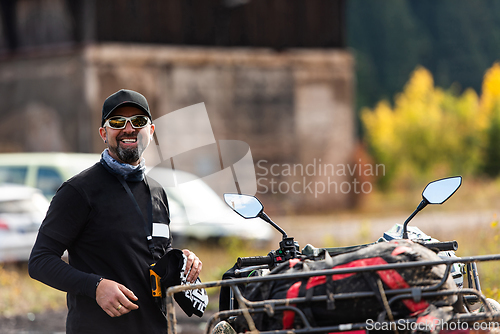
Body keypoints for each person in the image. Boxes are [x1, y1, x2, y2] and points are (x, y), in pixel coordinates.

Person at [28, 89, 202, 334]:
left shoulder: (157, 192)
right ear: (103, 133)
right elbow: (39, 261)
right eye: (117, 122)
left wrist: (182, 261)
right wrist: (95, 286)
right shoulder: (78, 191)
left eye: (138, 122)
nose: (129, 129)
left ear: (150, 132)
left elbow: (155, 255)